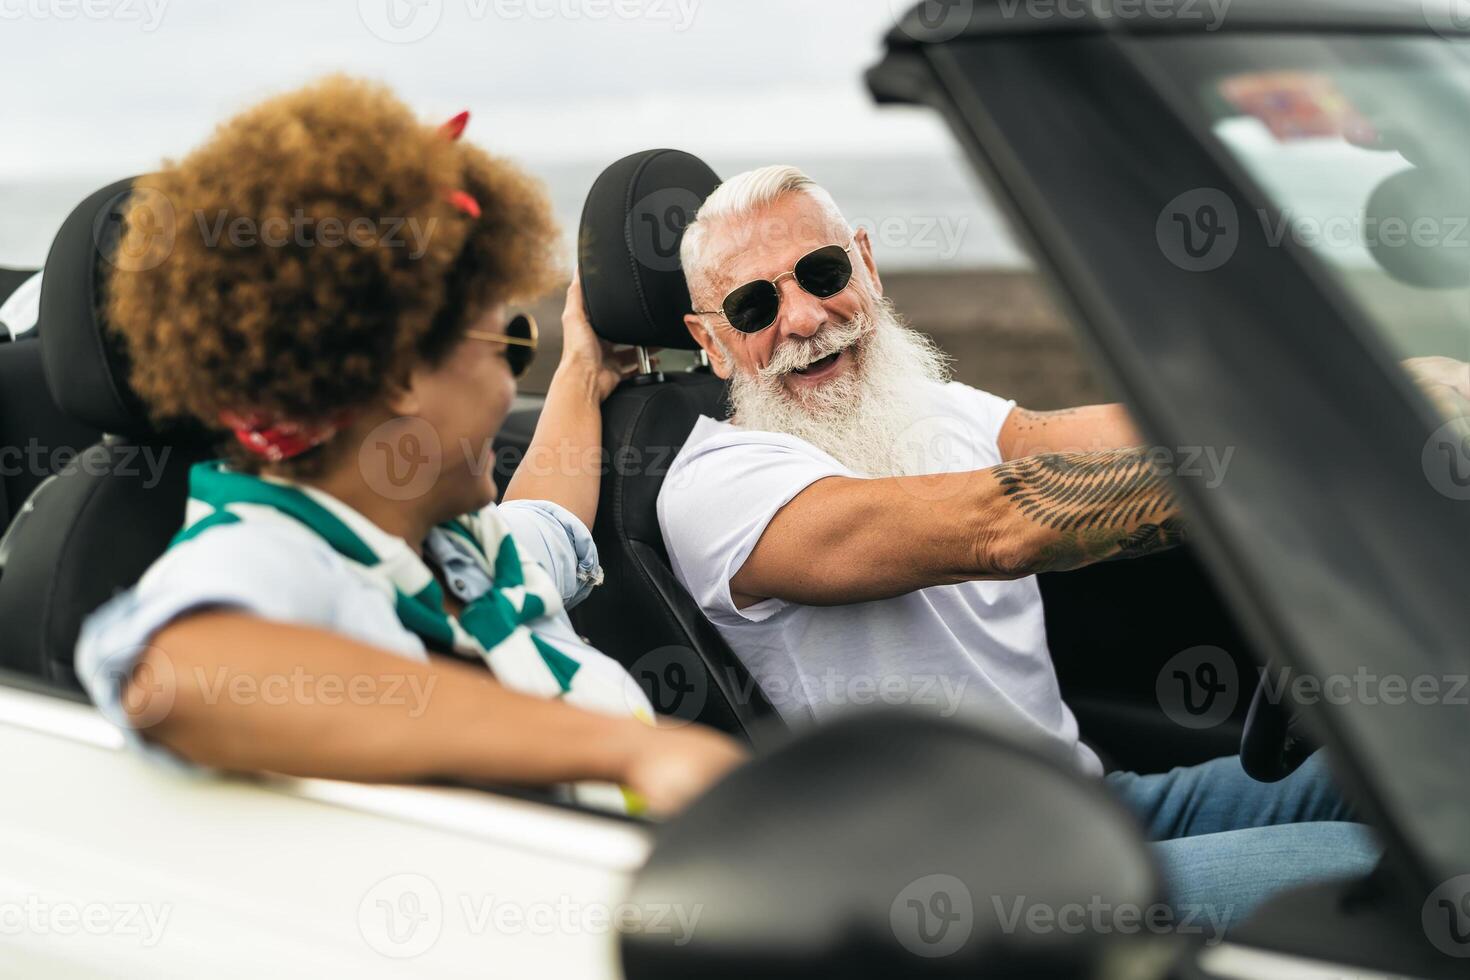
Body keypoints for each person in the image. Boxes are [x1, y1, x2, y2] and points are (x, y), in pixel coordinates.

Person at [656, 165, 1467, 922]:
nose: (803, 317)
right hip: (976, 888)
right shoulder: (718, 485)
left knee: (1433, 766)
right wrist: (1310, 451)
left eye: (823, 273)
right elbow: (999, 526)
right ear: (712, 340)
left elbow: (1113, 436)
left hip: (1087, 808)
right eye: (754, 308)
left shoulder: (931, 409)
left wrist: (1362, 393)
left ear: (866, 264)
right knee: (1400, 876)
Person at [75, 76, 744, 815]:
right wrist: (635, 751)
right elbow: (181, 675)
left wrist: (582, 375)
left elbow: (550, 518)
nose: (504, 386)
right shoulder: (271, 555)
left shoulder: (463, 551)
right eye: (508, 343)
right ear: (398, 373)